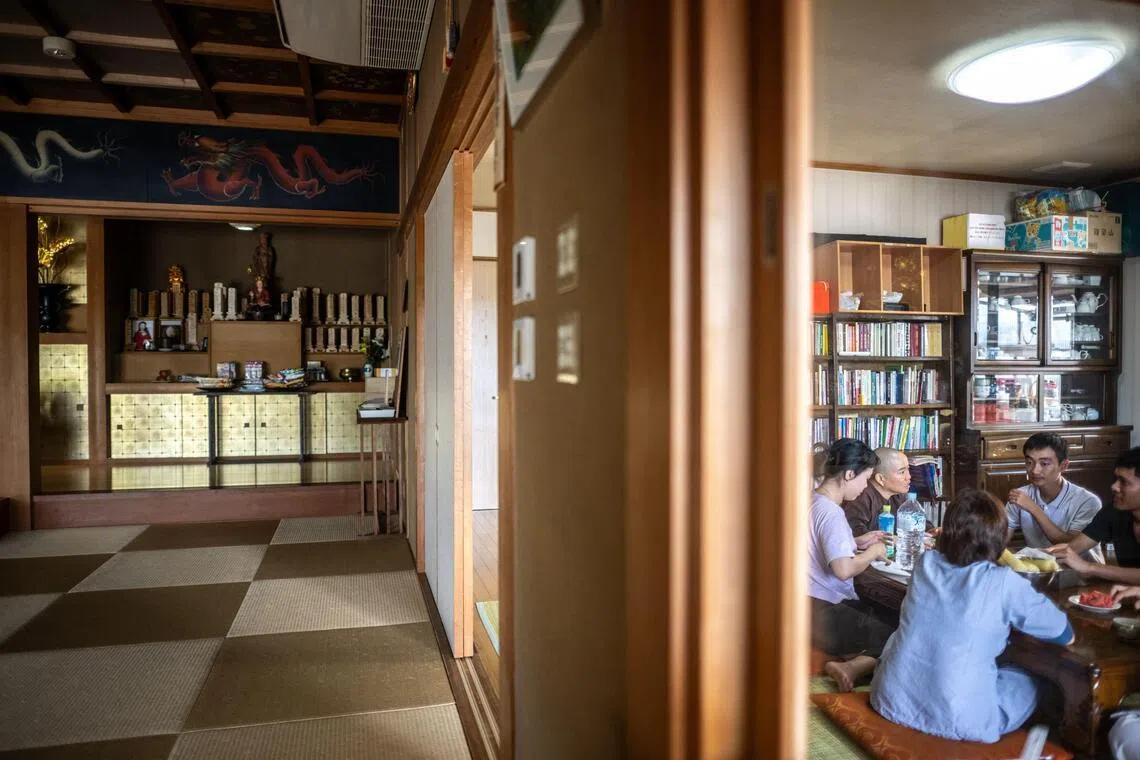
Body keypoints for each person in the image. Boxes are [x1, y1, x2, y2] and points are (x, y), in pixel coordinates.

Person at [870, 489, 1074, 743]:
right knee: (1031, 680)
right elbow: (1063, 633)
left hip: (891, 699)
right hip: (958, 720)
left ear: (947, 530)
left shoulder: (926, 563)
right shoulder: (1004, 581)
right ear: (1000, 538)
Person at [810, 438, 892, 692]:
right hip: (823, 612)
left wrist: (855, 542)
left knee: (882, 616)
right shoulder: (832, 513)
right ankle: (850, 668)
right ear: (849, 474)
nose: (865, 486)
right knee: (900, 634)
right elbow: (843, 570)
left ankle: (853, 660)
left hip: (803, 607)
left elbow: (813, 545)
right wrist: (874, 552)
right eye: (865, 479)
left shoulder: (812, 501)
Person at [1006, 432, 1102, 562]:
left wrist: (1033, 508)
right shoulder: (1020, 496)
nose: (1034, 470)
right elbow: (999, 541)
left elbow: (1070, 547)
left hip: (1082, 571)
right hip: (1039, 570)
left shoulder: (1088, 501)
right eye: (1029, 462)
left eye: (1044, 464)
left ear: (1064, 466)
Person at [1049, 447, 1140, 582]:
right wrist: (1038, 556)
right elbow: (1073, 549)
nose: (1114, 486)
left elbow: (1085, 566)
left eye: (1123, 482)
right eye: (1116, 479)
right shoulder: (1114, 512)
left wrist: (1089, 567)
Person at [843, 447, 910, 536]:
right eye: (902, 472)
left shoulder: (897, 495)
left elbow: (914, 519)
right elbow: (857, 534)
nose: (908, 477)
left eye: (908, 469)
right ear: (880, 479)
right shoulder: (860, 496)